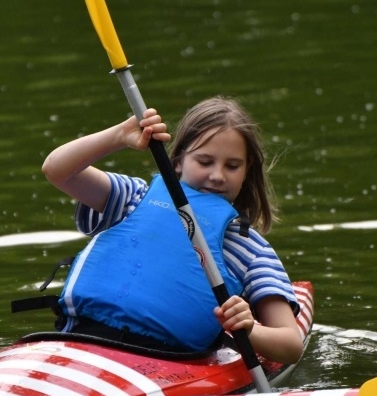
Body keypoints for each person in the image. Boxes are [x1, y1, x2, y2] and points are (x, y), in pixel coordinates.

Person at [41, 96, 303, 363]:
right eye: (204, 161)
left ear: (247, 171)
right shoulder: (132, 198)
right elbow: (57, 170)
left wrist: (250, 329)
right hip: (78, 341)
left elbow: (291, 345)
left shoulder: (251, 249)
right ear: (177, 161)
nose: (217, 175)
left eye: (232, 166)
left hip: (165, 363)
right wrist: (119, 135)